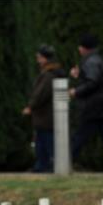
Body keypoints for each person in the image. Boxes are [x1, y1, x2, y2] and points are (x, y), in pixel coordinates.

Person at [68, 34, 103, 172]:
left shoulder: (91, 61)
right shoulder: (96, 60)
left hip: (93, 105)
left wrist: (76, 91)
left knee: (80, 135)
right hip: (101, 104)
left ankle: (66, 161)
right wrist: (79, 75)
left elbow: (92, 82)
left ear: (84, 48)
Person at [22, 44, 66, 172]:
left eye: (39, 57)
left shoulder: (48, 75)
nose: (37, 60)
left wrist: (30, 106)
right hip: (47, 114)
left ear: (45, 59)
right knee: (43, 140)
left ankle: (45, 165)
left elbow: (40, 94)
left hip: (45, 114)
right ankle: (42, 165)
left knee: (45, 141)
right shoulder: (54, 72)